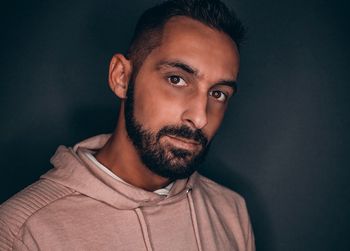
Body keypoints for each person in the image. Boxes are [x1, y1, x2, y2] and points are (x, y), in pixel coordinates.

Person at [0, 0, 255, 250]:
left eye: (218, 93)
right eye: (177, 79)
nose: (200, 118)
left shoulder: (231, 210)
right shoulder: (21, 230)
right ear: (121, 77)